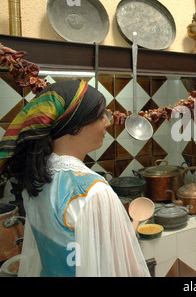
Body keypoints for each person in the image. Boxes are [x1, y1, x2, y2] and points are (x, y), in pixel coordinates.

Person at [0, 79, 150, 277]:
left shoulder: (34, 181)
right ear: (74, 126)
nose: (107, 121)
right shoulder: (93, 191)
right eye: (99, 117)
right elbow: (128, 269)